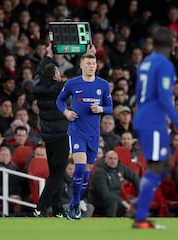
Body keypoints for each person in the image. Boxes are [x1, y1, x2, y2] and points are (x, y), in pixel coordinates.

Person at [131, 27, 178, 229]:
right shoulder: (164, 65)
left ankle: (139, 204)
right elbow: (164, 97)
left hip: (146, 118)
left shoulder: (145, 63)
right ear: (171, 45)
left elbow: (138, 93)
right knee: (156, 166)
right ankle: (140, 218)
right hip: (153, 121)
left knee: (166, 165)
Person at [56, 45, 113, 220]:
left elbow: (110, 108)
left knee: (87, 173)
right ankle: (74, 204)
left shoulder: (103, 85)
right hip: (77, 131)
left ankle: (75, 204)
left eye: (93, 63)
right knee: (79, 167)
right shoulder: (73, 83)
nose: (91, 66)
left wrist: (100, 108)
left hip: (94, 134)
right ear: (81, 65)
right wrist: (65, 112)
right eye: (88, 63)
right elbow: (60, 100)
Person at [32, 43, 70, 217]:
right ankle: (40, 207)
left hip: (48, 136)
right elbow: (79, 78)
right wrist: (87, 57)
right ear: (56, 75)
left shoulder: (38, 87)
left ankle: (58, 209)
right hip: (61, 134)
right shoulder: (58, 88)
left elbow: (40, 72)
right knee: (58, 173)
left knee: (56, 172)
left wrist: (47, 55)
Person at [89, 150, 140, 217]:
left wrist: (140, 196)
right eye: (110, 158)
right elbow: (105, 194)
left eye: (115, 158)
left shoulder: (120, 167)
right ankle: (111, 223)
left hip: (117, 200)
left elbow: (135, 177)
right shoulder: (99, 172)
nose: (113, 161)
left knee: (130, 210)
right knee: (113, 202)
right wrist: (122, 201)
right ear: (105, 160)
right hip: (99, 202)